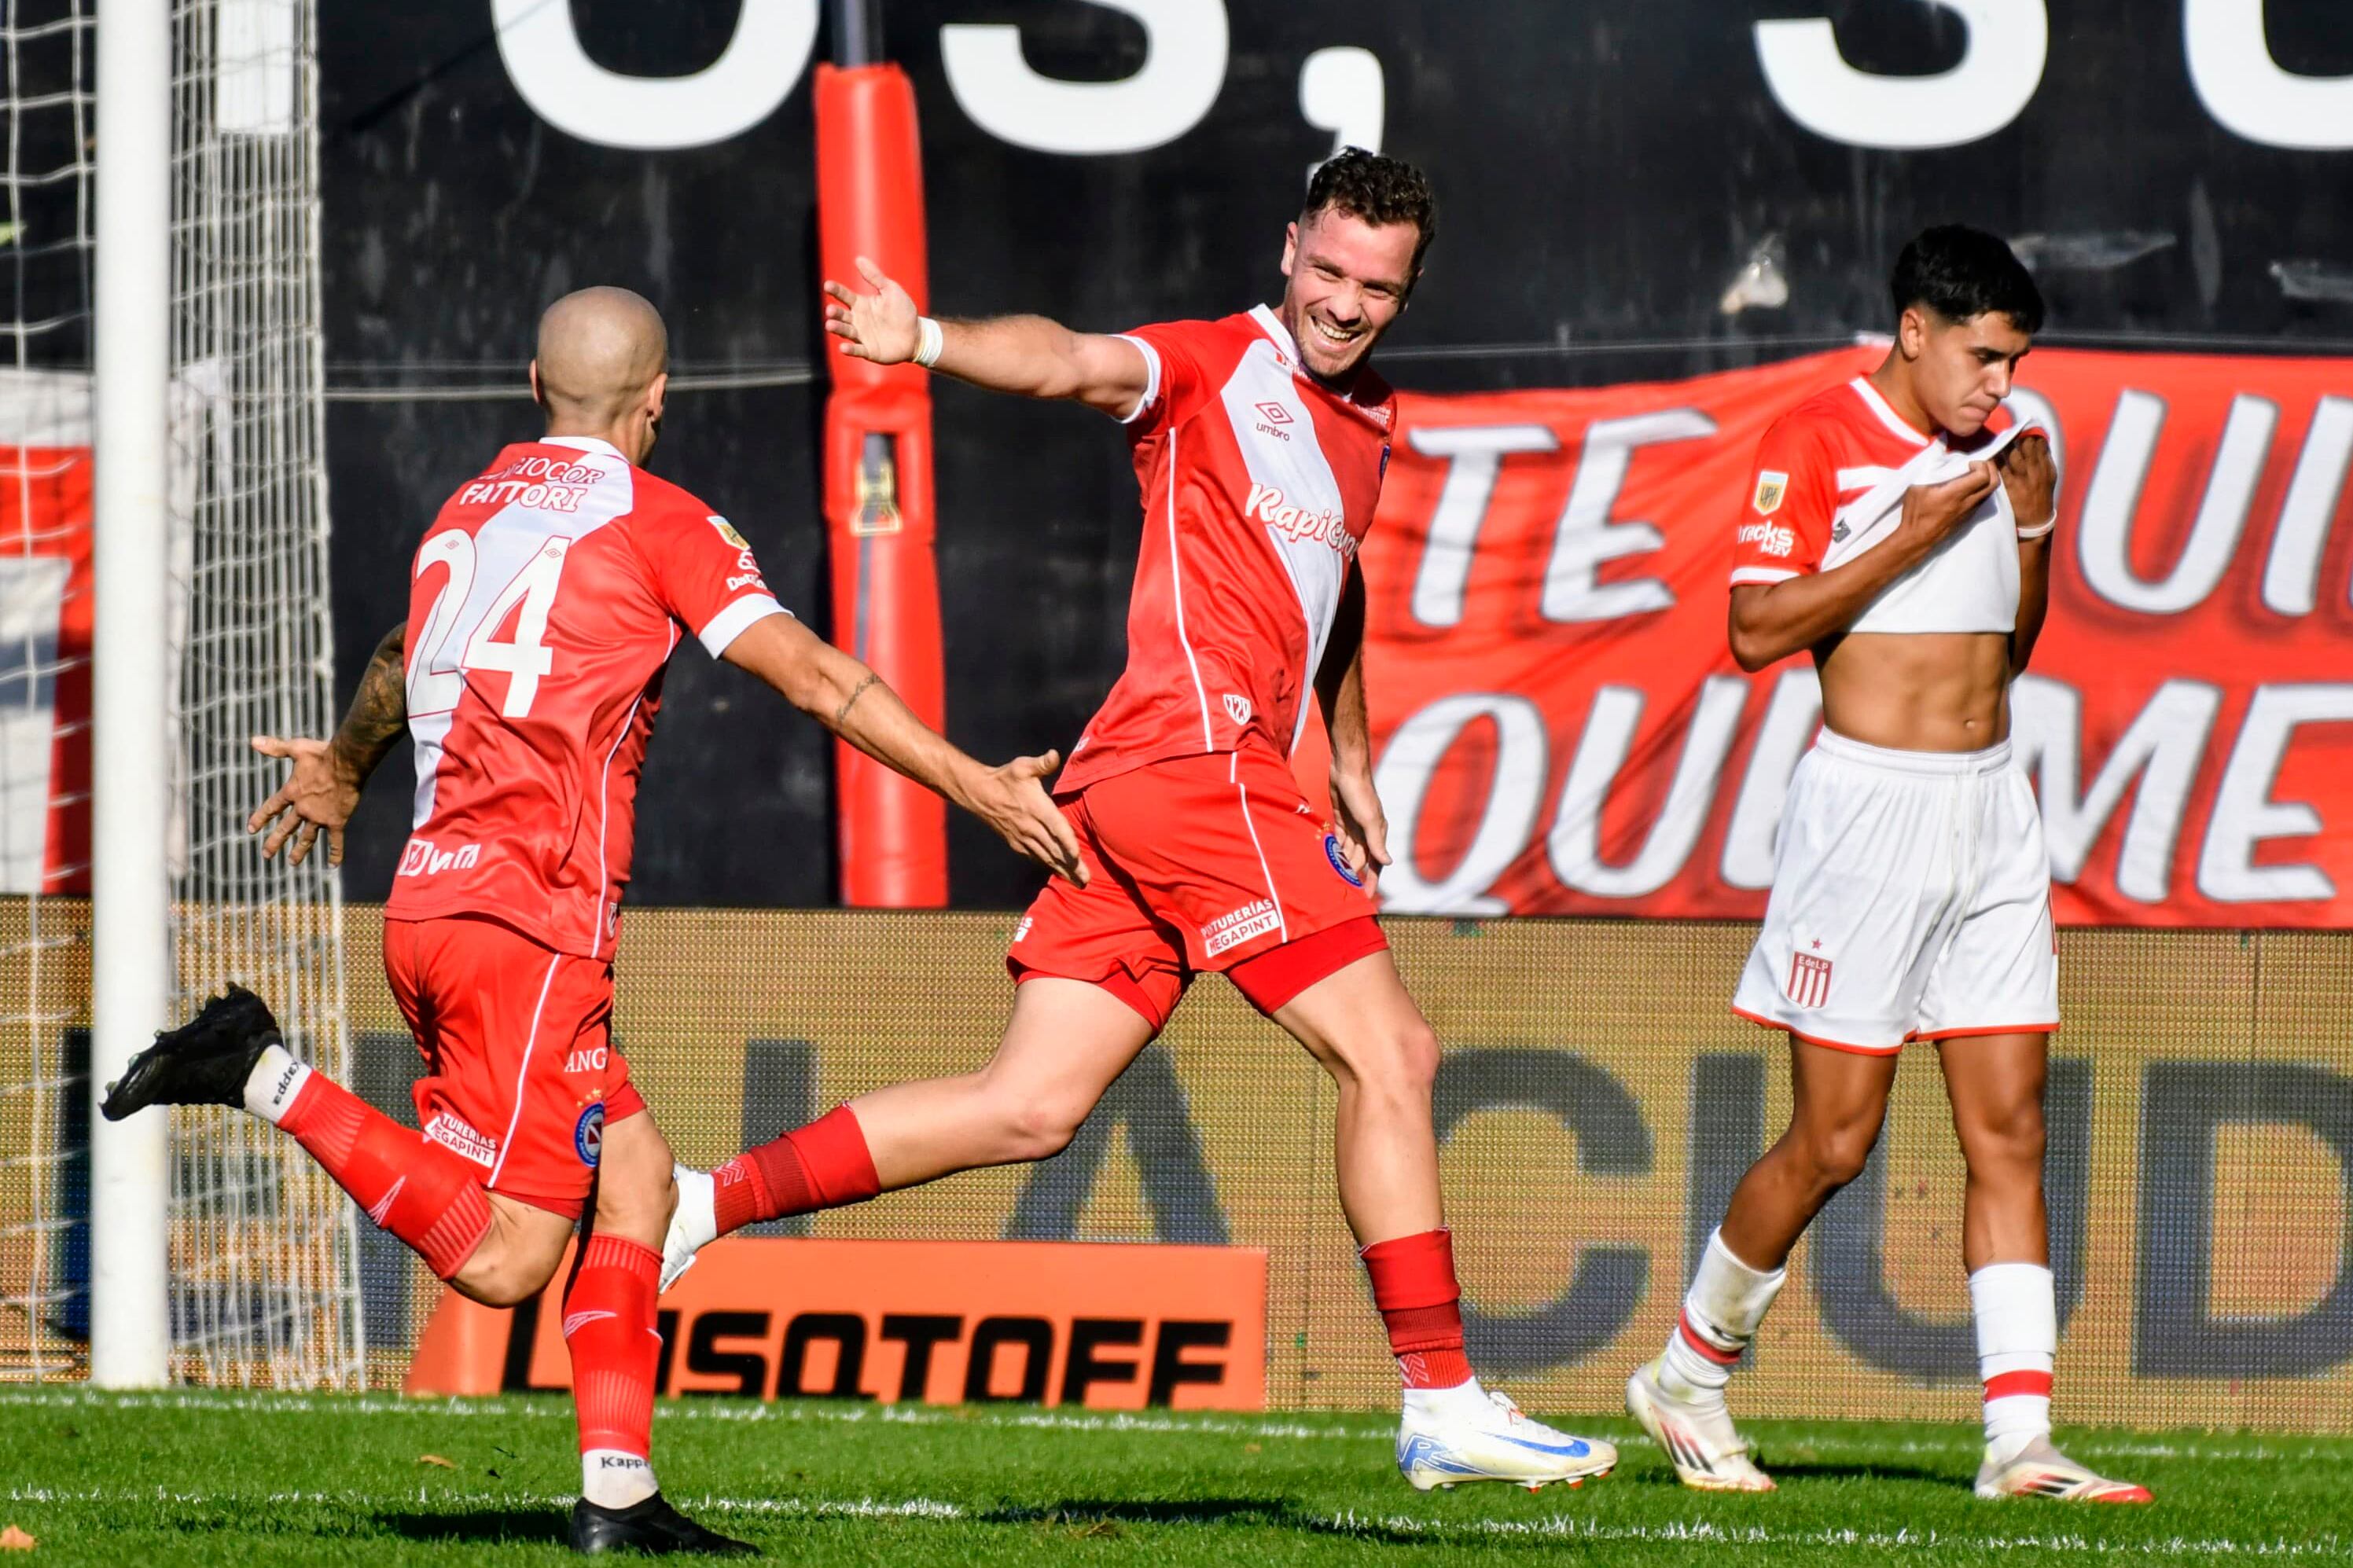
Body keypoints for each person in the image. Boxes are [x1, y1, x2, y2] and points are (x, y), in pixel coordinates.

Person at [659, 149, 1614, 1493]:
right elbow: (1068, 362)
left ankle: (697, 1205)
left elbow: (1327, 603)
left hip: (1135, 794)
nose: (1343, 303)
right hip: (1192, 767)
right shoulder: (1214, 364)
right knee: (1391, 1053)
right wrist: (924, 340)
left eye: (1373, 287)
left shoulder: (1372, 424)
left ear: (1404, 296)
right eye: (1327, 270)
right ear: (1288, 249)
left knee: (1025, 1109)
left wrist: (1347, 756)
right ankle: (1441, 1395)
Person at [101, 286, 1083, 1555]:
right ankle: (260, 1069)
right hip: (528, 924)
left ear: (531, 385)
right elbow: (819, 677)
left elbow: (405, 652)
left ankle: (616, 1497)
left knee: (632, 1182)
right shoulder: (658, 518)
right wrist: (977, 787)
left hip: (433, 903)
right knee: (508, 1263)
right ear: (657, 400)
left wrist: (346, 767)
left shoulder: (469, 508)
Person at [1622, 227, 2149, 1504]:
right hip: (1864, 817)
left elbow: (2005, 656)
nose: (2000, 386)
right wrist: (1909, 535)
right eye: (1982, 356)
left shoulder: (2014, 449)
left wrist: (2030, 532)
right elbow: (1751, 632)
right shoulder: (1816, 440)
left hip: (1992, 811)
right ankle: (1687, 1372)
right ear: (1913, 328)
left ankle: (2017, 1442)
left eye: (2015, 361)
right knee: (1835, 1140)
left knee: (2010, 1130)